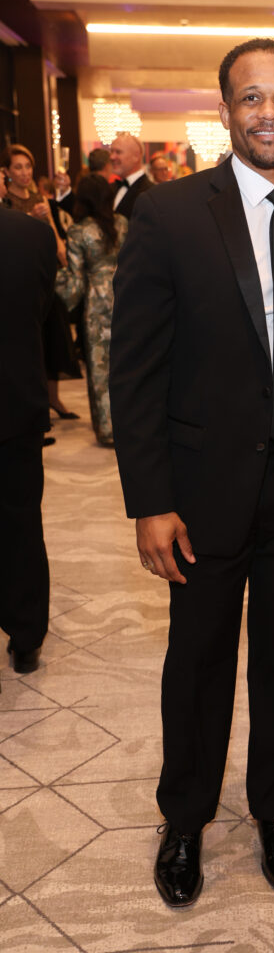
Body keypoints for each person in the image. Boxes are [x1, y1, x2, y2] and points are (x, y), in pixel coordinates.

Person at [109, 37, 274, 907]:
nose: (267, 113)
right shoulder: (172, 214)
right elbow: (134, 371)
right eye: (250, 98)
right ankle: (184, 820)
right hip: (204, 484)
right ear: (225, 111)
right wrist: (150, 501)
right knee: (200, 658)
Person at [0, 205, 56, 675]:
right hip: (16, 397)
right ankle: (26, 636)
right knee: (20, 519)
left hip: (17, 400)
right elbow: (42, 306)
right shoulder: (35, 234)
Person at [1, 143, 80, 422]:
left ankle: (53, 398)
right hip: (17, 279)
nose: (24, 172)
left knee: (53, 341)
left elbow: (56, 243)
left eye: (28, 166)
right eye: (17, 167)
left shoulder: (39, 197)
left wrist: (53, 238)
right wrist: (29, 222)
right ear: (7, 173)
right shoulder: (6, 202)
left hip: (44, 278)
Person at [58, 174, 127, 446]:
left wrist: (53, 286)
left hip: (97, 304)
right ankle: (128, 423)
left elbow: (74, 284)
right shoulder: (123, 224)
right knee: (127, 365)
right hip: (126, 297)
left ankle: (108, 429)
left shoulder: (79, 231)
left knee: (100, 367)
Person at [109, 133, 153, 218]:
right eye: (111, 151)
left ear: (136, 156)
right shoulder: (110, 188)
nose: (112, 157)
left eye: (118, 152)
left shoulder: (150, 192)